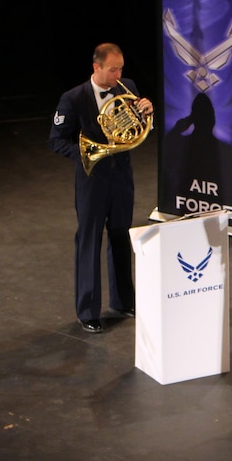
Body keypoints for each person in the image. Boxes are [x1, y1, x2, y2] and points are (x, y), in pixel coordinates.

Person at [48, 42, 154, 333]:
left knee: (120, 236)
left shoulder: (126, 86)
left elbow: (137, 127)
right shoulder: (73, 99)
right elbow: (55, 140)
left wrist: (147, 111)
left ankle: (123, 301)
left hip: (121, 177)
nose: (118, 74)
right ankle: (87, 310)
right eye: (112, 69)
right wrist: (86, 154)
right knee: (89, 240)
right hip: (91, 179)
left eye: (121, 68)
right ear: (96, 68)